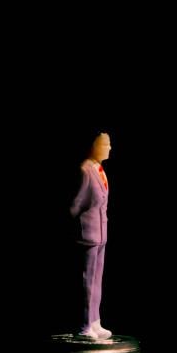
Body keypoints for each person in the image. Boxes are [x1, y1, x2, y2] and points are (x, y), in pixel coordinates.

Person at [69, 132, 112, 339]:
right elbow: (75, 204)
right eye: (105, 144)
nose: (109, 148)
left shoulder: (100, 169)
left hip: (101, 233)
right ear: (93, 145)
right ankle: (85, 325)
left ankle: (95, 321)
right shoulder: (85, 170)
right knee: (87, 281)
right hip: (88, 233)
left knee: (97, 280)